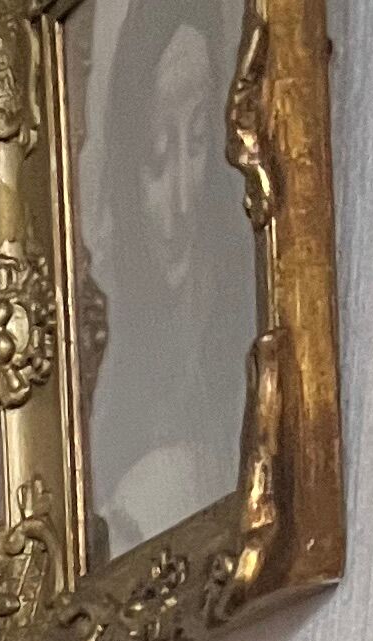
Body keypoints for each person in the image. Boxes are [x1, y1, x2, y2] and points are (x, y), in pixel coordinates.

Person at [89, 0, 255, 552]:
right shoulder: (99, 307)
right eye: (158, 157)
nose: (184, 198)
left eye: (200, 142)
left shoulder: (242, 288)